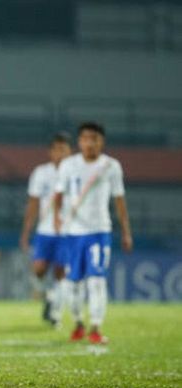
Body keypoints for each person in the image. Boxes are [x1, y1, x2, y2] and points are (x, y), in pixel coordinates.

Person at [53, 122, 133, 344]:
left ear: (101, 141)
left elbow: (119, 200)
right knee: (73, 283)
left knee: (96, 280)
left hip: (99, 232)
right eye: (86, 138)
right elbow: (58, 195)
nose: (90, 143)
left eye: (94, 138)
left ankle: (96, 327)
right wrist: (57, 219)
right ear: (79, 142)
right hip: (73, 233)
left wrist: (126, 232)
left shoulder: (111, 166)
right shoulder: (68, 165)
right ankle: (78, 323)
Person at [19, 133, 72, 326]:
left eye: (64, 149)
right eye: (56, 149)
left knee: (61, 271)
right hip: (45, 230)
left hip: (67, 231)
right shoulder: (40, 173)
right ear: (50, 152)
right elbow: (33, 204)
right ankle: (49, 296)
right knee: (39, 269)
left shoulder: (75, 174)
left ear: (70, 152)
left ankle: (56, 311)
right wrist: (26, 232)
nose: (60, 153)